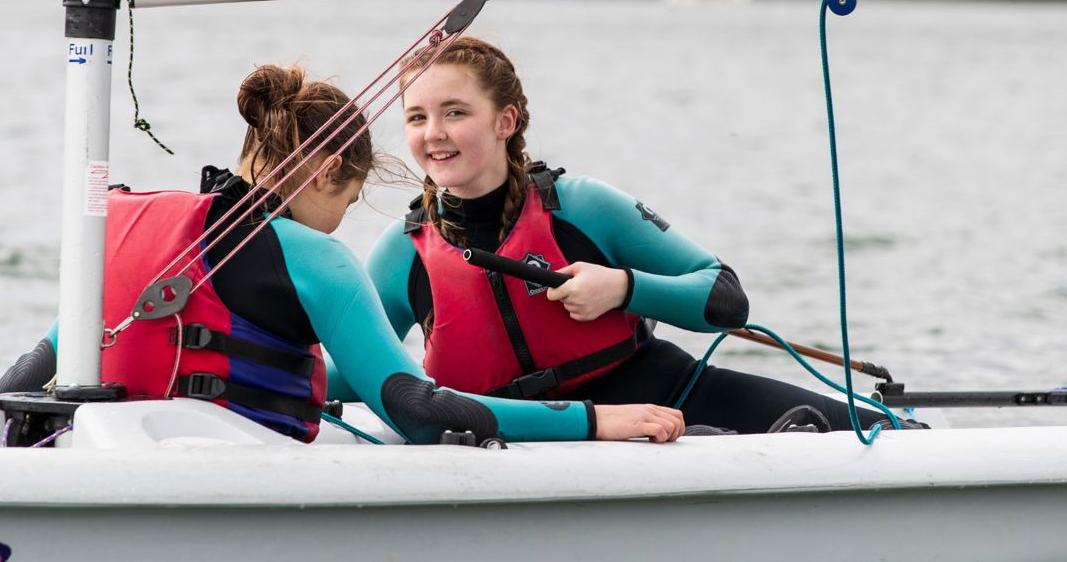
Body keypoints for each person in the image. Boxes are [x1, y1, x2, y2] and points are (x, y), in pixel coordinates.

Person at [0, 64, 684, 445]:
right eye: (348, 202)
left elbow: (27, 372)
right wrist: (594, 421)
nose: (341, 224)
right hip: (218, 473)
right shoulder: (316, 259)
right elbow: (415, 408)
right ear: (325, 172)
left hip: (90, 449)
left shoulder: (124, 222)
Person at [368, 37, 895, 434]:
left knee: (890, 435)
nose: (432, 132)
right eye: (416, 117)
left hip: (669, 395)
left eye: (454, 112)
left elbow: (726, 299)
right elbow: (358, 370)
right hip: (518, 438)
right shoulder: (401, 252)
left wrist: (621, 288)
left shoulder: (581, 206)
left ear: (505, 121)